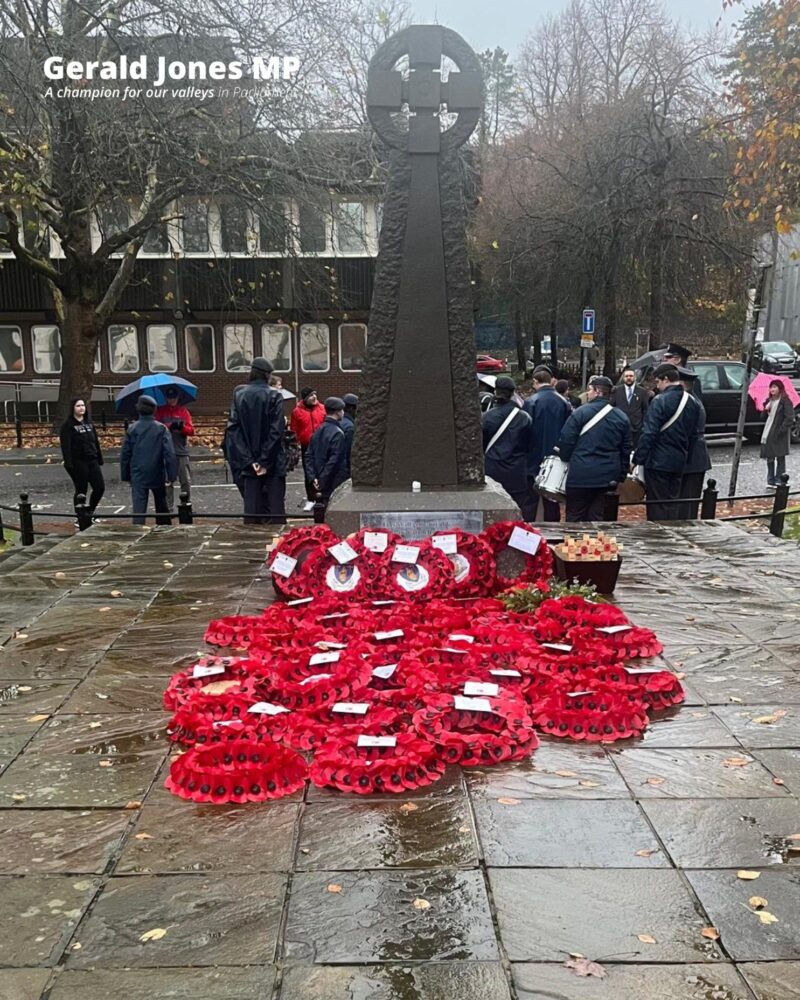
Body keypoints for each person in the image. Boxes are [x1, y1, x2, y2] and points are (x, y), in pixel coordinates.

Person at [555, 375, 631, 522]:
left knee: (575, 519)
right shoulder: (621, 417)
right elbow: (626, 448)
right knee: (600, 520)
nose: (587, 393)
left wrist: (566, 458)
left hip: (580, 473)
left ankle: (575, 544)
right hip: (608, 475)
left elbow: (566, 441)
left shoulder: (579, 413)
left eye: (589, 390)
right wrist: (621, 473)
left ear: (597, 391)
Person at [633, 364, 701, 521]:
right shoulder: (692, 402)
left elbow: (649, 433)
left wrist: (638, 459)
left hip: (658, 461)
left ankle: (659, 538)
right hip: (679, 460)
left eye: (658, 381)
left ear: (666, 379)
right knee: (672, 502)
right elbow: (693, 435)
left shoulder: (660, 401)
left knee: (657, 506)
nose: (657, 385)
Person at [225, 357, 287, 524]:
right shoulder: (274, 395)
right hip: (273, 463)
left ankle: (251, 547)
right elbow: (276, 431)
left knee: (251, 512)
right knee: (276, 513)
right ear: (267, 375)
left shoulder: (239, 395)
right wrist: (264, 461)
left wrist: (250, 461)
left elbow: (233, 431)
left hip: (249, 464)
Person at [482, 375, 535, 520]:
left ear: (495, 392)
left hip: (492, 471)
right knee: (516, 514)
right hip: (516, 473)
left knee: (493, 515)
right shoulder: (525, 418)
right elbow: (530, 445)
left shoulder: (486, 418)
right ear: (512, 394)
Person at [523, 367, 571, 521]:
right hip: (556, 456)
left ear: (535, 382)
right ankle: (553, 531)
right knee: (552, 500)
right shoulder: (563, 402)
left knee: (530, 500)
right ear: (551, 380)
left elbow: (525, 429)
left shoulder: (531, 402)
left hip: (533, 454)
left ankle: (528, 531)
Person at [120, 395, 177, 526]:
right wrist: (171, 475)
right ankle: (164, 531)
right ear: (154, 410)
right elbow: (169, 453)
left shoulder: (132, 428)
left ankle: (137, 531)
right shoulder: (161, 428)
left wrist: (126, 475)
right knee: (161, 505)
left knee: (139, 508)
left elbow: (125, 454)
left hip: (138, 473)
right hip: (157, 471)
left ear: (138, 409)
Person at [59, 397, 105, 517]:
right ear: (72, 408)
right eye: (78, 406)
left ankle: (90, 512)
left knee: (99, 487)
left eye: (83, 405)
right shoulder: (68, 425)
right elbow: (66, 446)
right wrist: (69, 463)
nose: (81, 408)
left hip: (92, 460)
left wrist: (99, 457)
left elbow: (95, 441)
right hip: (78, 461)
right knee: (81, 490)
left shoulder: (89, 423)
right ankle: (80, 517)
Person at [676, 368, 711, 518]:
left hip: (692, 456)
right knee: (688, 499)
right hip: (695, 455)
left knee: (687, 501)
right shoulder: (694, 399)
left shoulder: (689, 403)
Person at [154, 389, 194, 511]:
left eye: (174, 397)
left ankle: (187, 504)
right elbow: (156, 428)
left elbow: (191, 430)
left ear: (178, 398)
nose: (172, 400)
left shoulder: (183, 412)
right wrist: (169, 427)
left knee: (185, 481)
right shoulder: (160, 412)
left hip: (180, 450)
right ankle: (168, 508)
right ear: (166, 398)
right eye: (170, 397)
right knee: (167, 482)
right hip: (166, 451)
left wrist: (182, 428)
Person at [307, 396, 349, 502]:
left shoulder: (318, 430)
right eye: (342, 410)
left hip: (318, 478)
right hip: (333, 481)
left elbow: (308, 455)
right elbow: (334, 460)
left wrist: (313, 477)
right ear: (337, 412)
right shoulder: (338, 433)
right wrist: (323, 480)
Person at [289, 387, 325, 500]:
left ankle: (323, 495)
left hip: (321, 444)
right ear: (305, 398)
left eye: (315, 394)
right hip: (306, 445)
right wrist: (297, 444)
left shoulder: (322, 408)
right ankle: (311, 497)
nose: (314, 397)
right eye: (310, 395)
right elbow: (294, 430)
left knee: (323, 470)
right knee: (309, 472)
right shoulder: (297, 412)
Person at [761, 379, 795, 488]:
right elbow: (763, 418)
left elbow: (790, 417)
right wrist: (765, 409)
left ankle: (779, 479)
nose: (772, 389)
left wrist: (781, 430)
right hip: (768, 432)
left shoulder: (785, 401)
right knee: (769, 456)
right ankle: (770, 480)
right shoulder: (769, 401)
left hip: (779, 433)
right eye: (771, 387)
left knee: (780, 457)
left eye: (775, 387)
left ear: (780, 389)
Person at [610, 367, 650, 447]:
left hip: (636, 428)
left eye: (631, 376)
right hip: (619, 427)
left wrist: (643, 425)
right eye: (627, 376)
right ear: (623, 378)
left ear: (635, 377)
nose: (629, 378)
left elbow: (645, 409)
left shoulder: (642, 391)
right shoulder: (616, 391)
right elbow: (612, 407)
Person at [342, 393, 358, 477]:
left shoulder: (338, 421)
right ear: (352, 408)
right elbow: (349, 452)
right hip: (344, 471)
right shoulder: (350, 427)